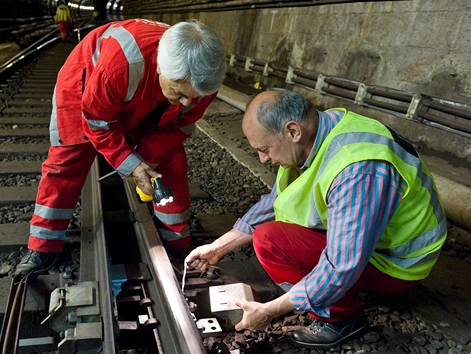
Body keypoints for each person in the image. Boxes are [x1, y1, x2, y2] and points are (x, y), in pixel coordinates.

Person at [185, 88, 447, 349]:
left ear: (292, 131)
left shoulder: (356, 169)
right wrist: (217, 247)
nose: (263, 158)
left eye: (264, 149)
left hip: (397, 263)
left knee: (270, 241)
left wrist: (270, 310)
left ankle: (342, 319)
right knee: (275, 233)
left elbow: (341, 266)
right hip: (376, 243)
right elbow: (277, 200)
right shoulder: (319, 130)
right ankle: (325, 297)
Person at [15, 19, 226, 275]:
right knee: (67, 160)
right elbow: (97, 123)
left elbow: (177, 126)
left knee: (170, 159)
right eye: (180, 94)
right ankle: (43, 245)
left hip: (142, 90)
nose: (187, 102)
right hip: (87, 84)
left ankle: (178, 242)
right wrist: (132, 164)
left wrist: (146, 159)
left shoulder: (202, 81)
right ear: (160, 67)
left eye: (194, 97)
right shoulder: (121, 64)